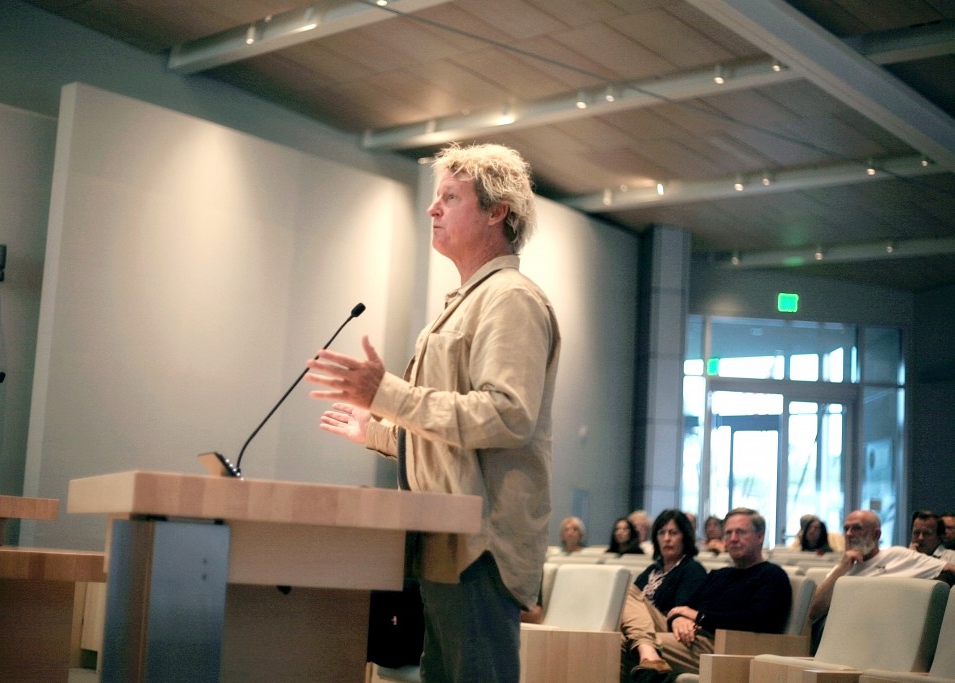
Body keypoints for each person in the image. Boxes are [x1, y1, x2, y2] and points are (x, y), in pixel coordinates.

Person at [306, 142, 561, 683]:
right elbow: (450, 437)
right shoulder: (464, 302)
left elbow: (506, 416)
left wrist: (388, 395)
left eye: (450, 197)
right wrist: (375, 431)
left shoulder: (510, 298)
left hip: (480, 545)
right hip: (443, 539)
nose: (433, 209)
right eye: (435, 196)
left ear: (498, 212)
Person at [619, 508, 792, 681]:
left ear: (760, 536)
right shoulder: (720, 575)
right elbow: (685, 608)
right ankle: (648, 653)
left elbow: (757, 619)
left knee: (623, 643)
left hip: (725, 647)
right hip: (692, 638)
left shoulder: (772, 576)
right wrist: (678, 618)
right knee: (624, 594)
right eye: (729, 533)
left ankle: (647, 650)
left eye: (740, 532)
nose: (733, 539)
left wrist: (699, 617)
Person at [809, 509, 955, 624]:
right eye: (846, 529)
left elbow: (949, 569)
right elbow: (814, 612)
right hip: (840, 628)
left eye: (856, 528)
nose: (849, 534)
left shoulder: (900, 556)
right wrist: (841, 568)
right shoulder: (842, 568)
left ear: (876, 535)